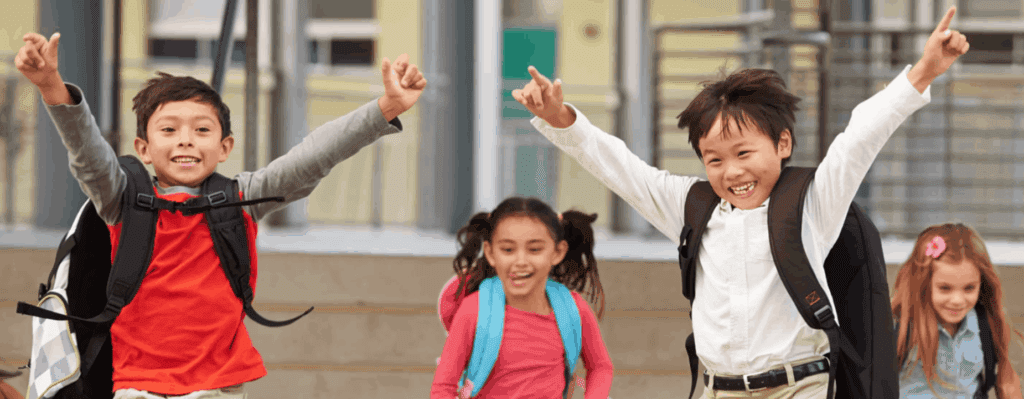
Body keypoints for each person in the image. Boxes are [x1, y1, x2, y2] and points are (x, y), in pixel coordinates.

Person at [512, 6, 969, 399]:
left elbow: (862, 135)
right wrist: (561, 119)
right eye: (714, 159)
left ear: (783, 143)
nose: (732, 172)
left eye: (744, 153)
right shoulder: (692, 207)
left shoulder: (813, 203)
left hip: (800, 386)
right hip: (719, 386)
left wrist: (922, 72)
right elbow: (621, 167)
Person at [15, 30, 426, 399]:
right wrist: (52, 86)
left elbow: (313, 157)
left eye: (202, 130)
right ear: (143, 148)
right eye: (169, 129)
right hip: (139, 386)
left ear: (225, 146)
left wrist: (385, 108)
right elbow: (88, 154)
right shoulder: (120, 198)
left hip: (220, 387)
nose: (186, 141)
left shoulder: (241, 197)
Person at [430, 197, 614, 398]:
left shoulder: (574, 309)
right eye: (508, 249)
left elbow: (600, 367)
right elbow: (443, 387)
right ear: (491, 253)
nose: (521, 261)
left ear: (557, 252)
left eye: (535, 249)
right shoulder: (473, 310)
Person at [892, 223, 1023, 398]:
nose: (957, 300)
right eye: (945, 288)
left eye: (969, 288)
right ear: (923, 284)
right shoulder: (902, 327)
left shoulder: (985, 325)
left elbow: (1007, 384)